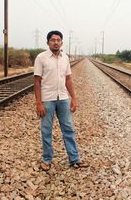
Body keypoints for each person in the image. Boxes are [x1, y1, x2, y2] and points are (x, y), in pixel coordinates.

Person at [34, 30, 88, 171]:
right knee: (46, 130)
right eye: (53, 40)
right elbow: (37, 81)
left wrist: (73, 98)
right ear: (48, 42)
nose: (56, 42)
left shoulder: (65, 58)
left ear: (62, 42)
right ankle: (47, 159)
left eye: (58, 40)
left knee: (68, 129)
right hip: (47, 99)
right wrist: (39, 103)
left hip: (63, 98)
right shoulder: (41, 58)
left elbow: (68, 79)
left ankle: (75, 159)